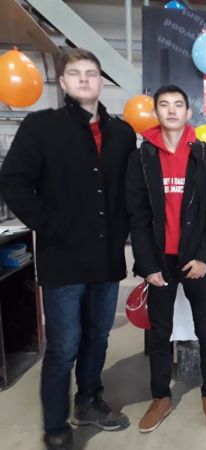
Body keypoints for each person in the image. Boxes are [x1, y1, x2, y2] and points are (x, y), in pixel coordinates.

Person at [0, 48, 136, 450]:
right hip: (62, 256)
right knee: (63, 344)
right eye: (75, 73)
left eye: (91, 73)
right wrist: (49, 224)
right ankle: (56, 426)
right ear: (62, 82)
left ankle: (89, 401)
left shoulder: (122, 134)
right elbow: (13, 181)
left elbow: (130, 190)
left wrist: (124, 229)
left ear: (101, 81)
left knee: (98, 335)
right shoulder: (41, 127)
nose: (84, 79)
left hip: (107, 256)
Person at [126, 85, 206, 433]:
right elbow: (137, 217)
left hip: (197, 261)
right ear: (156, 112)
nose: (171, 110)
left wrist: (204, 258)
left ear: (188, 113)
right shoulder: (142, 159)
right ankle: (161, 397)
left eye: (178, 104)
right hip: (160, 263)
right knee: (159, 333)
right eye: (164, 104)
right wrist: (148, 265)